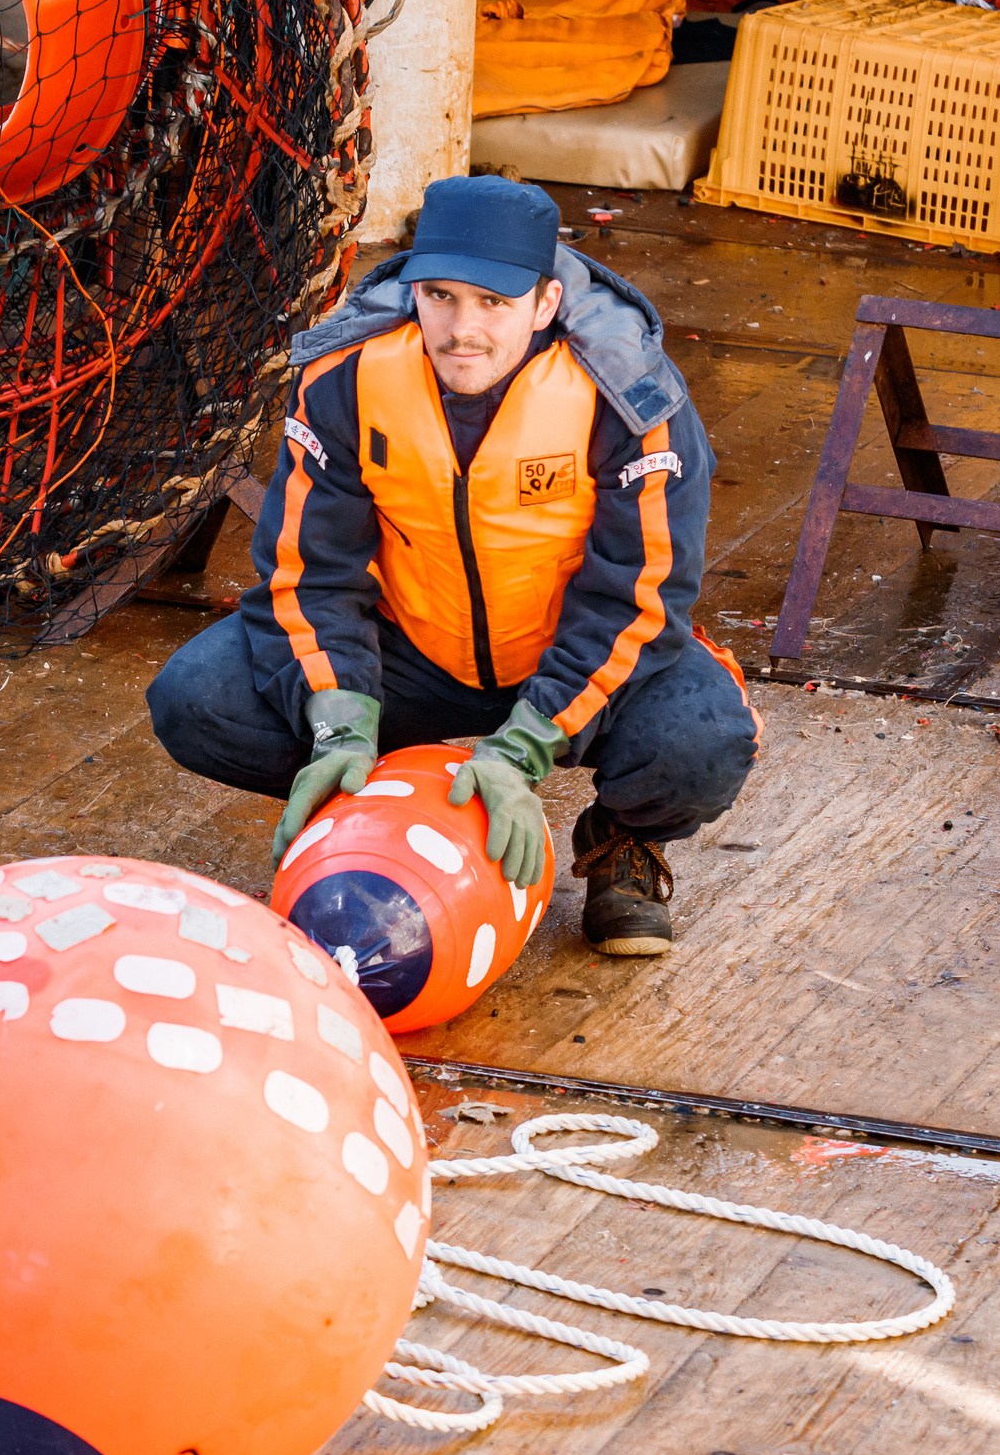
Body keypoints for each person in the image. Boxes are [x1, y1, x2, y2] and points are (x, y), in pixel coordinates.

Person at [147, 175, 756, 957]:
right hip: (415, 653)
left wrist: (527, 743)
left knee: (703, 742)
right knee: (195, 699)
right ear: (413, 291)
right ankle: (384, 804)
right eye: (440, 296)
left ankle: (622, 839)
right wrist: (338, 723)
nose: (461, 330)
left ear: (545, 303)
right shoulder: (349, 376)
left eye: (493, 304)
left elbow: (637, 600)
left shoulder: (629, 398)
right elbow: (307, 574)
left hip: (565, 652)